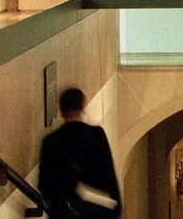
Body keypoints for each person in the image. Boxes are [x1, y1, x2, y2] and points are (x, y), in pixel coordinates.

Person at [39, 87, 121, 219]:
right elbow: (108, 174)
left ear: (61, 111)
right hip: (96, 212)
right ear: (83, 106)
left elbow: (44, 185)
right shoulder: (96, 136)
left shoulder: (50, 142)